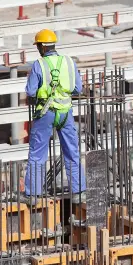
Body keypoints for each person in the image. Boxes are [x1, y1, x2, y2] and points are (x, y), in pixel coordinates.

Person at [21, 29, 86, 204]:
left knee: (37, 153)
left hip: (46, 113)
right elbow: (78, 89)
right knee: (72, 152)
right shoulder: (69, 62)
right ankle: (79, 192)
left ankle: (32, 195)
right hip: (66, 113)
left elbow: (30, 91)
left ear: (41, 47)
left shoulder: (39, 64)